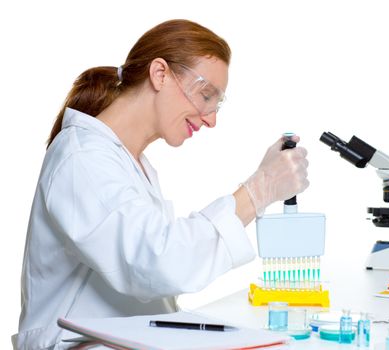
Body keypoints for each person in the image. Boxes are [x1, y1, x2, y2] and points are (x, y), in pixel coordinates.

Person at [13, 19, 309, 350]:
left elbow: (153, 276)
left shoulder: (131, 163)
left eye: (217, 103)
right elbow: (158, 261)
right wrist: (258, 191)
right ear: (160, 74)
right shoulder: (83, 158)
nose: (211, 118)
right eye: (205, 94)